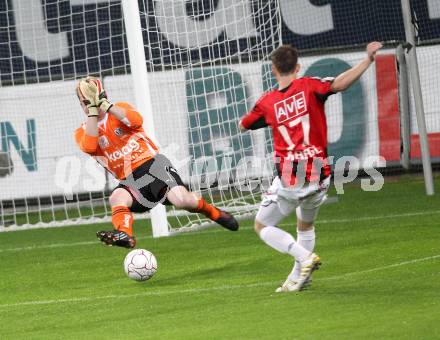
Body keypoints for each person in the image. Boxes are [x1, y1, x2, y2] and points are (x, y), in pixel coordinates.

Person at [239, 41, 383, 292]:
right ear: (298, 67)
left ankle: (304, 258)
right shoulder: (311, 86)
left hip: (290, 178)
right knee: (305, 225)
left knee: (262, 225)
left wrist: (271, 118)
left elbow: (244, 124)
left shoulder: (267, 102)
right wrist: (368, 60)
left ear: (273, 69)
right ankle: (299, 278)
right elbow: (340, 83)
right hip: (320, 176)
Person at [75, 77, 238, 248]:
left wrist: (106, 106)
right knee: (117, 197)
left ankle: (213, 212)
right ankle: (125, 235)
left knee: (182, 201)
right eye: (85, 103)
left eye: (93, 100)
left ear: (104, 95)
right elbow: (90, 146)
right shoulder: (83, 130)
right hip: (131, 181)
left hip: (154, 166)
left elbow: (136, 120)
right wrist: (93, 111)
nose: (89, 105)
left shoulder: (119, 109)